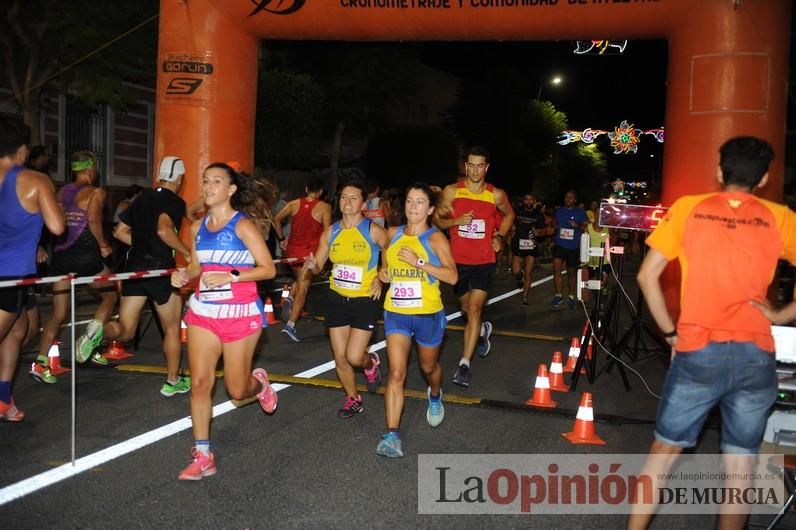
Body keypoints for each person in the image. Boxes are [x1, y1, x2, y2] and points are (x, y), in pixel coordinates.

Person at [627, 137, 796, 530]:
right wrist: (780, 313)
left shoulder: (689, 208)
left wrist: (670, 334)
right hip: (755, 352)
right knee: (740, 464)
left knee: (664, 452)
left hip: (698, 350)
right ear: (765, 177)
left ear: (720, 171)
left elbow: (646, 276)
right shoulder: (782, 217)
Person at [171, 162, 278, 481]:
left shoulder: (244, 226)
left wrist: (230, 275)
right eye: (205, 181)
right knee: (201, 384)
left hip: (240, 313)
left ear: (231, 190)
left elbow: (268, 269)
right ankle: (203, 455)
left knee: (236, 389)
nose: (208, 186)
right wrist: (184, 274)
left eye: (216, 181)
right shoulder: (196, 228)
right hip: (204, 313)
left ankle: (258, 383)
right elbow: (195, 265)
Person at [376, 182, 458, 457]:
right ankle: (392, 436)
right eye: (410, 201)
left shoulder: (436, 239)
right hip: (397, 313)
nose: (413, 206)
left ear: (430, 208)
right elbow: (385, 266)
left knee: (428, 367)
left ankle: (435, 394)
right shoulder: (392, 233)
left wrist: (419, 263)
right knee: (396, 373)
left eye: (420, 202)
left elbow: (452, 276)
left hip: (428, 315)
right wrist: (383, 275)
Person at [103, 157, 192, 396]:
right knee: (171, 328)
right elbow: (164, 229)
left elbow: (120, 232)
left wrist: (143, 246)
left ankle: (99, 330)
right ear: (180, 178)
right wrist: (187, 252)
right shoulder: (174, 201)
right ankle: (173, 381)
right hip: (160, 270)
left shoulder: (141, 199)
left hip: (135, 269)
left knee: (125, 330)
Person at [303, 179, 390, 418]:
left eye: (353, 198)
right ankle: (353, 398)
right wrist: (312, 266)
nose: (347, 201)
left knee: (354, 356)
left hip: (364, 299)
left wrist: (382, 276)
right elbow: (319, 264)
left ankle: (370, 362)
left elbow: (389, 248)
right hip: (337, 298)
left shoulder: (372, 230)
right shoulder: (331, 232)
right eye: (343, 197)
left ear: (363, 203)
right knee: (340, 358)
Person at [33, 151, 117, 383]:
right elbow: (93, 220)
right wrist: (103, 244)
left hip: (61, 256)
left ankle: (41, 364)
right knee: (110, 294)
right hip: (86, 256)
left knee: (59, 313)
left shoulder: (62, 191)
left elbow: (53, 221)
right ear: (91, 170)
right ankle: (90, 341)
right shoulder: (97, 192)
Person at [0, 119, 64, 419]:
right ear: (23, 150)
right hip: (11, 274)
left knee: (20, 329)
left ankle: (4, 398)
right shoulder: (34, 180)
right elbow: (57, 225)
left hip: (14, 275)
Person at [435, 146, 514, 388]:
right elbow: (437, 219)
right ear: (465, 166)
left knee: (476, 309)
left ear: (486, 168)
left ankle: (464, 365)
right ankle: (481, 331)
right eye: (472, 165)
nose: (476, 169)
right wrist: (456, 221)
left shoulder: (496, 195)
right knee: (466, 308)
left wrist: (499, 235)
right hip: (457, 262)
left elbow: (510, 215)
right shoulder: (451, 191)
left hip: (484, 261)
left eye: (481, 165)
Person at [272, 179, 332, 342]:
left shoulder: (293, 204)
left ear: (306, 189)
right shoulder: (324, 207)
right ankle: (290, 325)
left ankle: (290, 297)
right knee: (304, 289)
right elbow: (327, 232)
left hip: (292, 251)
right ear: (320, 192)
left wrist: (281, 239)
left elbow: (275, 219)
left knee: (299, 279)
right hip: (309, 254)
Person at [550, 189, 588, 309]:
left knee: (571, 273)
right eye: (566, 197)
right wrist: (554, 227)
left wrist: (578, 226)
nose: (568, 199)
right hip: (559, 245)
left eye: (571, 197)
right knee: (556, 270)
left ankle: (571, 296)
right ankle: (558, 295)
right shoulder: (558, 211)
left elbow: (586, 226)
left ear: (575, 200)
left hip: (573, 247)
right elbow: (554, 223)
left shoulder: (580, 212)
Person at [511, 193, 546, 306]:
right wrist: (512, 227)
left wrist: (538, 233)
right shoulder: (517, 211)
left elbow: (543, 230)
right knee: (516, 270)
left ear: (534, 201)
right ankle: (519, 278)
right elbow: (510, 222)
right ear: (524, 201)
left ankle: (525, 297)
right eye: (526, 200)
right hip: (518, 244)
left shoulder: (538, 215)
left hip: (531, 245)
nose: (528, 202)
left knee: (528, 272)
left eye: (531, 200)